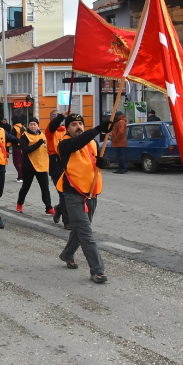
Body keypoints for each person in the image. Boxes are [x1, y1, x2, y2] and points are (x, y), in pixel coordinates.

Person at [56, 113, 113, 284]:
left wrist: (105, 163)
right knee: (86, 232)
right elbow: (76, 144)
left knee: (81, 229)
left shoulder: (93, 143)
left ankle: (67, 254)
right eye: (73, 124)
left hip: (91, 192)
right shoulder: (64, 144)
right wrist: (97, 129)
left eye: (80, 123)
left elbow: (100, 161)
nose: (78, 126)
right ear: (67, 128)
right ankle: (97, 271)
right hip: (73, 193)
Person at [16, 118, 55, 215]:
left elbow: (46, 150)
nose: (33, 126)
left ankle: (48, 207)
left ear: (38, 125)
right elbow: (25, 150)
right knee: (26, 186)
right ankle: (19, 204)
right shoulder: (25, 136)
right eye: (31, 125)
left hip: (41, 166)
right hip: (29, 166)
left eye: (34, 124)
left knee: (45, 188)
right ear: (28, 126)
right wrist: (38, 144)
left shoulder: (43, 135)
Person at [46, 110, 69, 225]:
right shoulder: (49, 131)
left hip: (68, 165)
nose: (56, 119)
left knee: (69, 195)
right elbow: (54, 125)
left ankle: (59, 209)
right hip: (56, 165)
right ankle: (67, 221)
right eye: (54, 117)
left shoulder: (67, 131)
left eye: (57, 116)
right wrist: (61, 117)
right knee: (63, 194)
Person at [11, 116, 25, 182]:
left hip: (16, 147)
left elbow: (12, 138)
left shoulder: (14, 128)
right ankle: (21, 176)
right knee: (21, 162)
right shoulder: (24, 127)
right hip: (23, 147)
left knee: (16, 162)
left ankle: (21, 177)